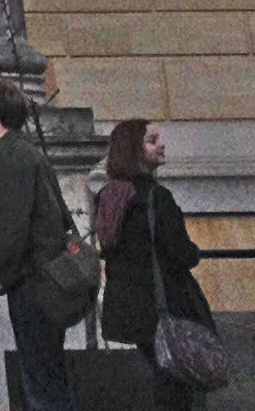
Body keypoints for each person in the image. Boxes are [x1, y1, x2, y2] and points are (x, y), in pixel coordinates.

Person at [95, 118, 214, 407]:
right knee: (177, 385)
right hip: (163, 307)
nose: (162, 145)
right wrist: (193, 251)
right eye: (152, 140)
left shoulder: (108, 198)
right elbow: (181, 253)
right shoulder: (156, 198)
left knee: (163, 377)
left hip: (129, 308)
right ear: (134, 151)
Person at [0, 75, 78, 411]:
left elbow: (12, 224)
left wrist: (2, 272)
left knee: (41, 381)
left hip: (32, 280)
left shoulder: (8, 156)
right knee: (50, 375)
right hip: (49, 278)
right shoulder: (30, 152)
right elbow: (60, 216)